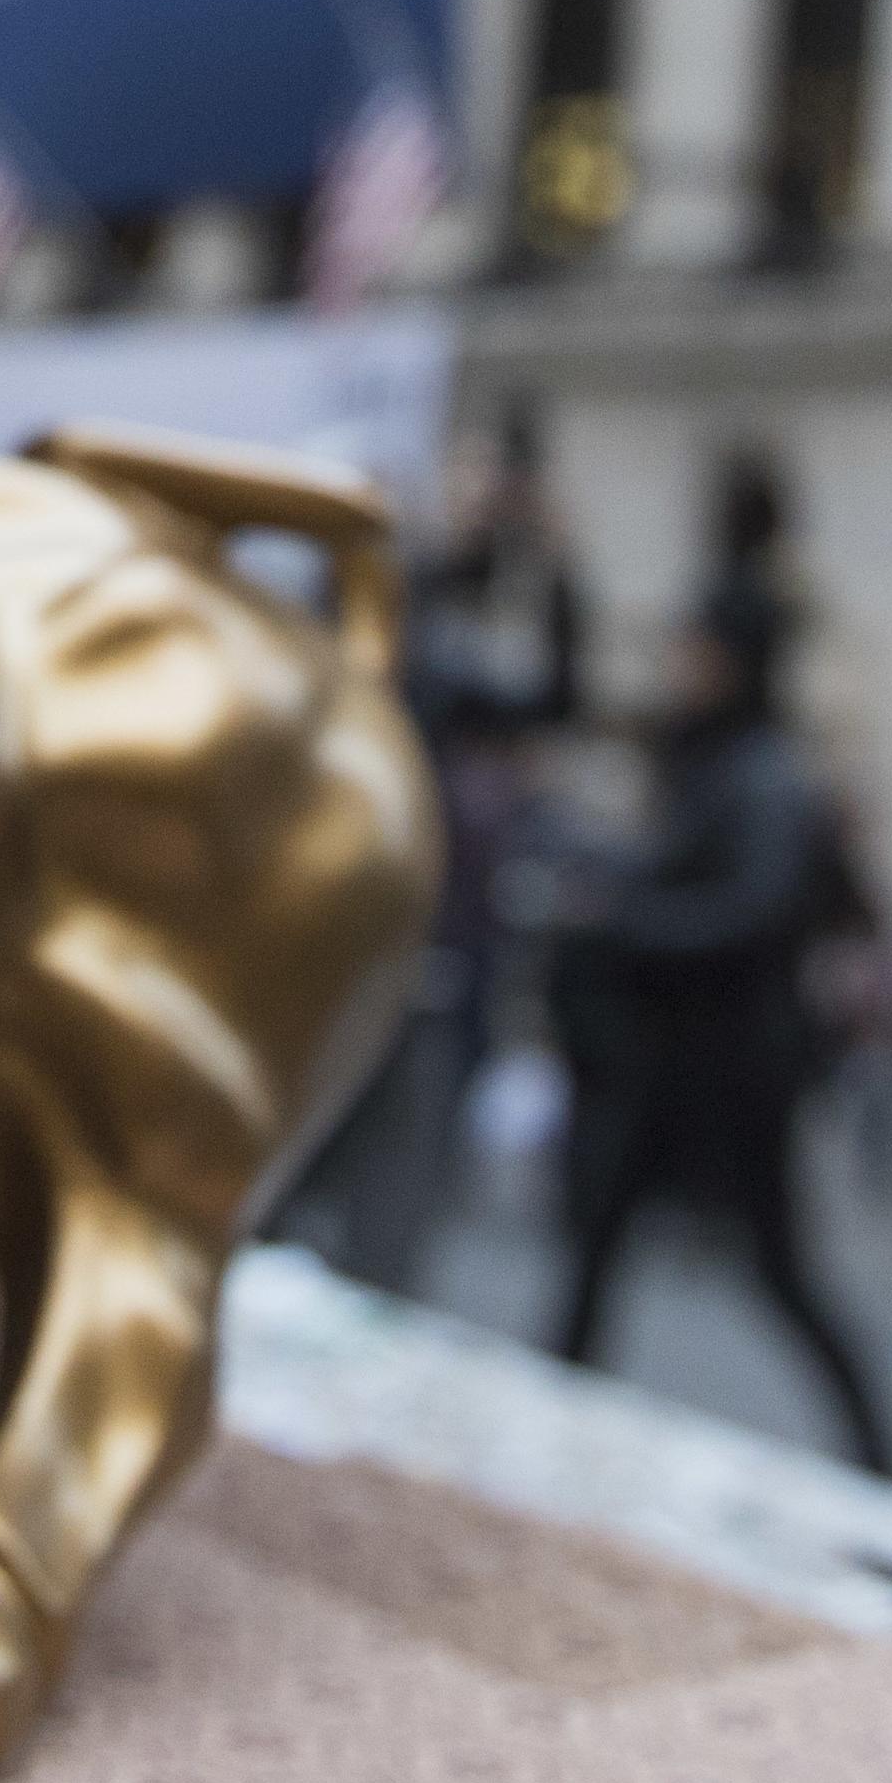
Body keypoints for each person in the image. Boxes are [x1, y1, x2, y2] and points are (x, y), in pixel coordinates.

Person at [546, 586, 892, 1477]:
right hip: (677, 1061)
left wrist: (621, 924)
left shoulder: (763, 775)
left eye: (691, 649)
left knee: (777, 1271)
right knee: (599, 1243)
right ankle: (552, 1413)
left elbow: (754, 912)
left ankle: (883, 1463)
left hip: (731, 1071)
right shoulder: (716, 761)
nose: (676, 667)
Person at [278, 406, 583, 1289]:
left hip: (409, 969)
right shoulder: (307, 651)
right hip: (325, 967)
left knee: (383, 1219)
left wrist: (544, 562)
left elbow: (546, 697)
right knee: (301, 1205)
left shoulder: (411, 655)